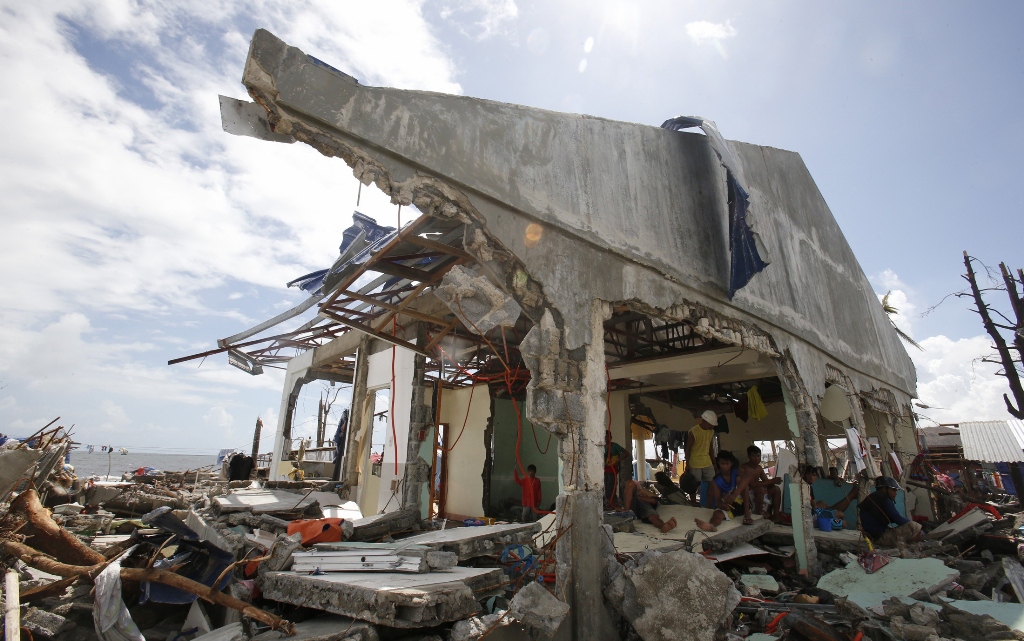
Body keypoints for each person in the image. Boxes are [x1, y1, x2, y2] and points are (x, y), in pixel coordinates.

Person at [696, 450, 753, 531]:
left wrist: (734, 495)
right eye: (722, 464)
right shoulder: (716, 480)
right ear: (718, 463)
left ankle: (747, 514)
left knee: (742, 483)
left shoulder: (736, 472)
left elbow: (747, 478)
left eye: (727, 464)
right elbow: (718, 501)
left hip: (742, 503)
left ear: (731, 464)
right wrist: (722, 505)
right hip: (729, 505)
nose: (725, 466)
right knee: (717, 515)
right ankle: (711, 526)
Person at [859, 476, 922, 546]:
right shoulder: (884, 499)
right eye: (893, 490)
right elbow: (897, 519)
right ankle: (912, 547)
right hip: (880, 538)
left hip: (871, 537)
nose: (896, 493)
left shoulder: (873, 497)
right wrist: (911, 523)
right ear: (884, 489)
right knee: (915, 526)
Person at [739, 445, 783, 521]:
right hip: (747, 493)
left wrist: (774, 481)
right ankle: (758, 511)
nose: (756, 458)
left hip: (758, 492)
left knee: (776, 489)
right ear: (748, 456)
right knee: (760, 489)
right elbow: (751, 484)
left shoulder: (759, 468)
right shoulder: (744, 467)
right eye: (753, 456)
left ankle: (776, 515)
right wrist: (771, 481)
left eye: (758, 456)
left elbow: (766, 481)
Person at [683, 410, 718, 504]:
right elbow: (688, 449)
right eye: (711, 424)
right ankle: (694, 504)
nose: (712, 426)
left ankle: (709, 504)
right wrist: (688, 464)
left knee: (712, 482)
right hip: (695, 462)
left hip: (707, 461)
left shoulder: (711, 432)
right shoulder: (694, 431)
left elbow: (711, 448)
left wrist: (714, 462)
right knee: (693, 484)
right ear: (705, 422)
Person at [604, 432, 627, 509]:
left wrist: (617, 461)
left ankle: (613, 503)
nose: (606, 438)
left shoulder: (615, 446)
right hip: (605, 469)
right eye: (605, 437)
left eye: (608, 437)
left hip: (612, 469)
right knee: (606, 487)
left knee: (611, 486)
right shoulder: (603, 446)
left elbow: (626, 453)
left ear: (611, 438)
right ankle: (608, 503)